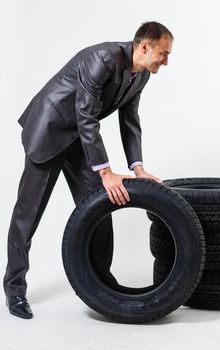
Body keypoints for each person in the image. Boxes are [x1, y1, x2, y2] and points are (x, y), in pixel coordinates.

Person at [3, 21, 173, 319]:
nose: (166, 61)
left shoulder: (142, 75)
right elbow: (86, 114)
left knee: (100, 205)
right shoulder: (103, 58)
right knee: (27, 216)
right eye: (163, 53)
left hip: (80, 140)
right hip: (50, 132)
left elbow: (129, 120)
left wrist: (138, 167)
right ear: (145, 46)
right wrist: (106, 171)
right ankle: (14, 290)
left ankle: (100, 281)